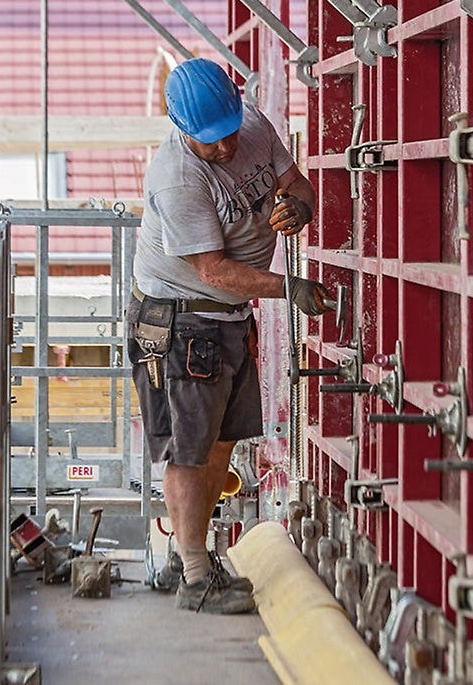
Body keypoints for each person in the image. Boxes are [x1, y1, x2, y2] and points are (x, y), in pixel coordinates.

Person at [126, 58, 331, 614]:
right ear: (182, 128)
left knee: (219, 441)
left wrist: (299, 208)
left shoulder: (253, 125)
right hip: (180, 319)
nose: (225, 147)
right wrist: (288, 287)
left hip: (226, 318)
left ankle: (186, 556)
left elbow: (296, 184)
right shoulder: (176, 177)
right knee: (189, 448)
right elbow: (213, 271)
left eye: (229, 132)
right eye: (210, 141)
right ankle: (196, 576)